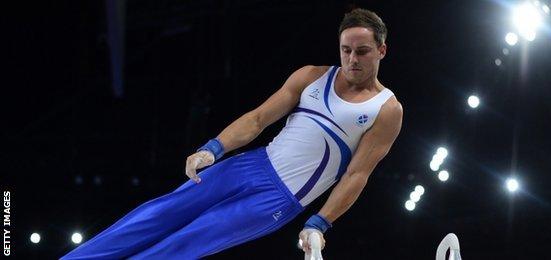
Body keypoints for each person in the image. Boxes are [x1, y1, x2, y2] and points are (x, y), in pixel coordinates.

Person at [61, 8, 402, 259]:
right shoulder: (312, 76)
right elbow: (257, 120)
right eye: (346, 50)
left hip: (278, 200)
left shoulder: (386, 110)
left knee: (186, 243)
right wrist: (213, 148)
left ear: (382, 50)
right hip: (250, 164)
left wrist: (320, 223)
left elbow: (357, 174)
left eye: (362, 51)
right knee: (160, 212)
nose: (352, 59)